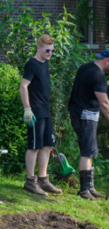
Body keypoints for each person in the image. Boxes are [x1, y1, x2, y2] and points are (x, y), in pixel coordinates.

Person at [68, 48, 109, 200]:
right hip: (85, 115)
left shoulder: (85, 67)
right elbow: (104, 102)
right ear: (107, 61)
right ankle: (84, 190)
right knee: (88, 151)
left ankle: (90, 187)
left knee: (91, 150)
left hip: (79, 113)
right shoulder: (98, 76)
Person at [19, 34, 61, 196]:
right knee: (34, 146)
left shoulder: (45, 63)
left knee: (47, 145)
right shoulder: (32, 64)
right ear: (39, 48)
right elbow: (23, 86)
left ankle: (43, 180)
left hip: (46, 111)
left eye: (52, 50)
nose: (50, 53)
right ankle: (30, 181)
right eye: (48, 50)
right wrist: (27, 109)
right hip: (35, 112)